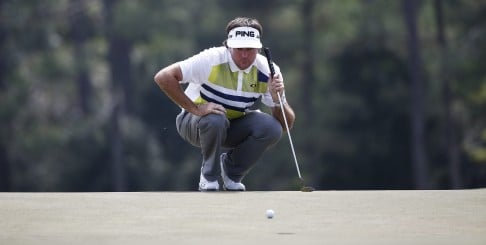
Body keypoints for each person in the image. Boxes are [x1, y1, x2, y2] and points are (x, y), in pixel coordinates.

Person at [154, 17, 295, 191]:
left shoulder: (268, 71)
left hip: (231, 126)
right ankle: (209, 177)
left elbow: (284, 126)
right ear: (228, 46)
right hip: (194, 122)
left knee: (271, 128)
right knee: (215, 118)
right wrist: (196, 109)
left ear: (258, 49)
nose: (244, 55)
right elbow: (164, 77)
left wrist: (276, 99)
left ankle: (232, 171)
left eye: (249, 49)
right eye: (239, 49)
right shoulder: (211, 59)